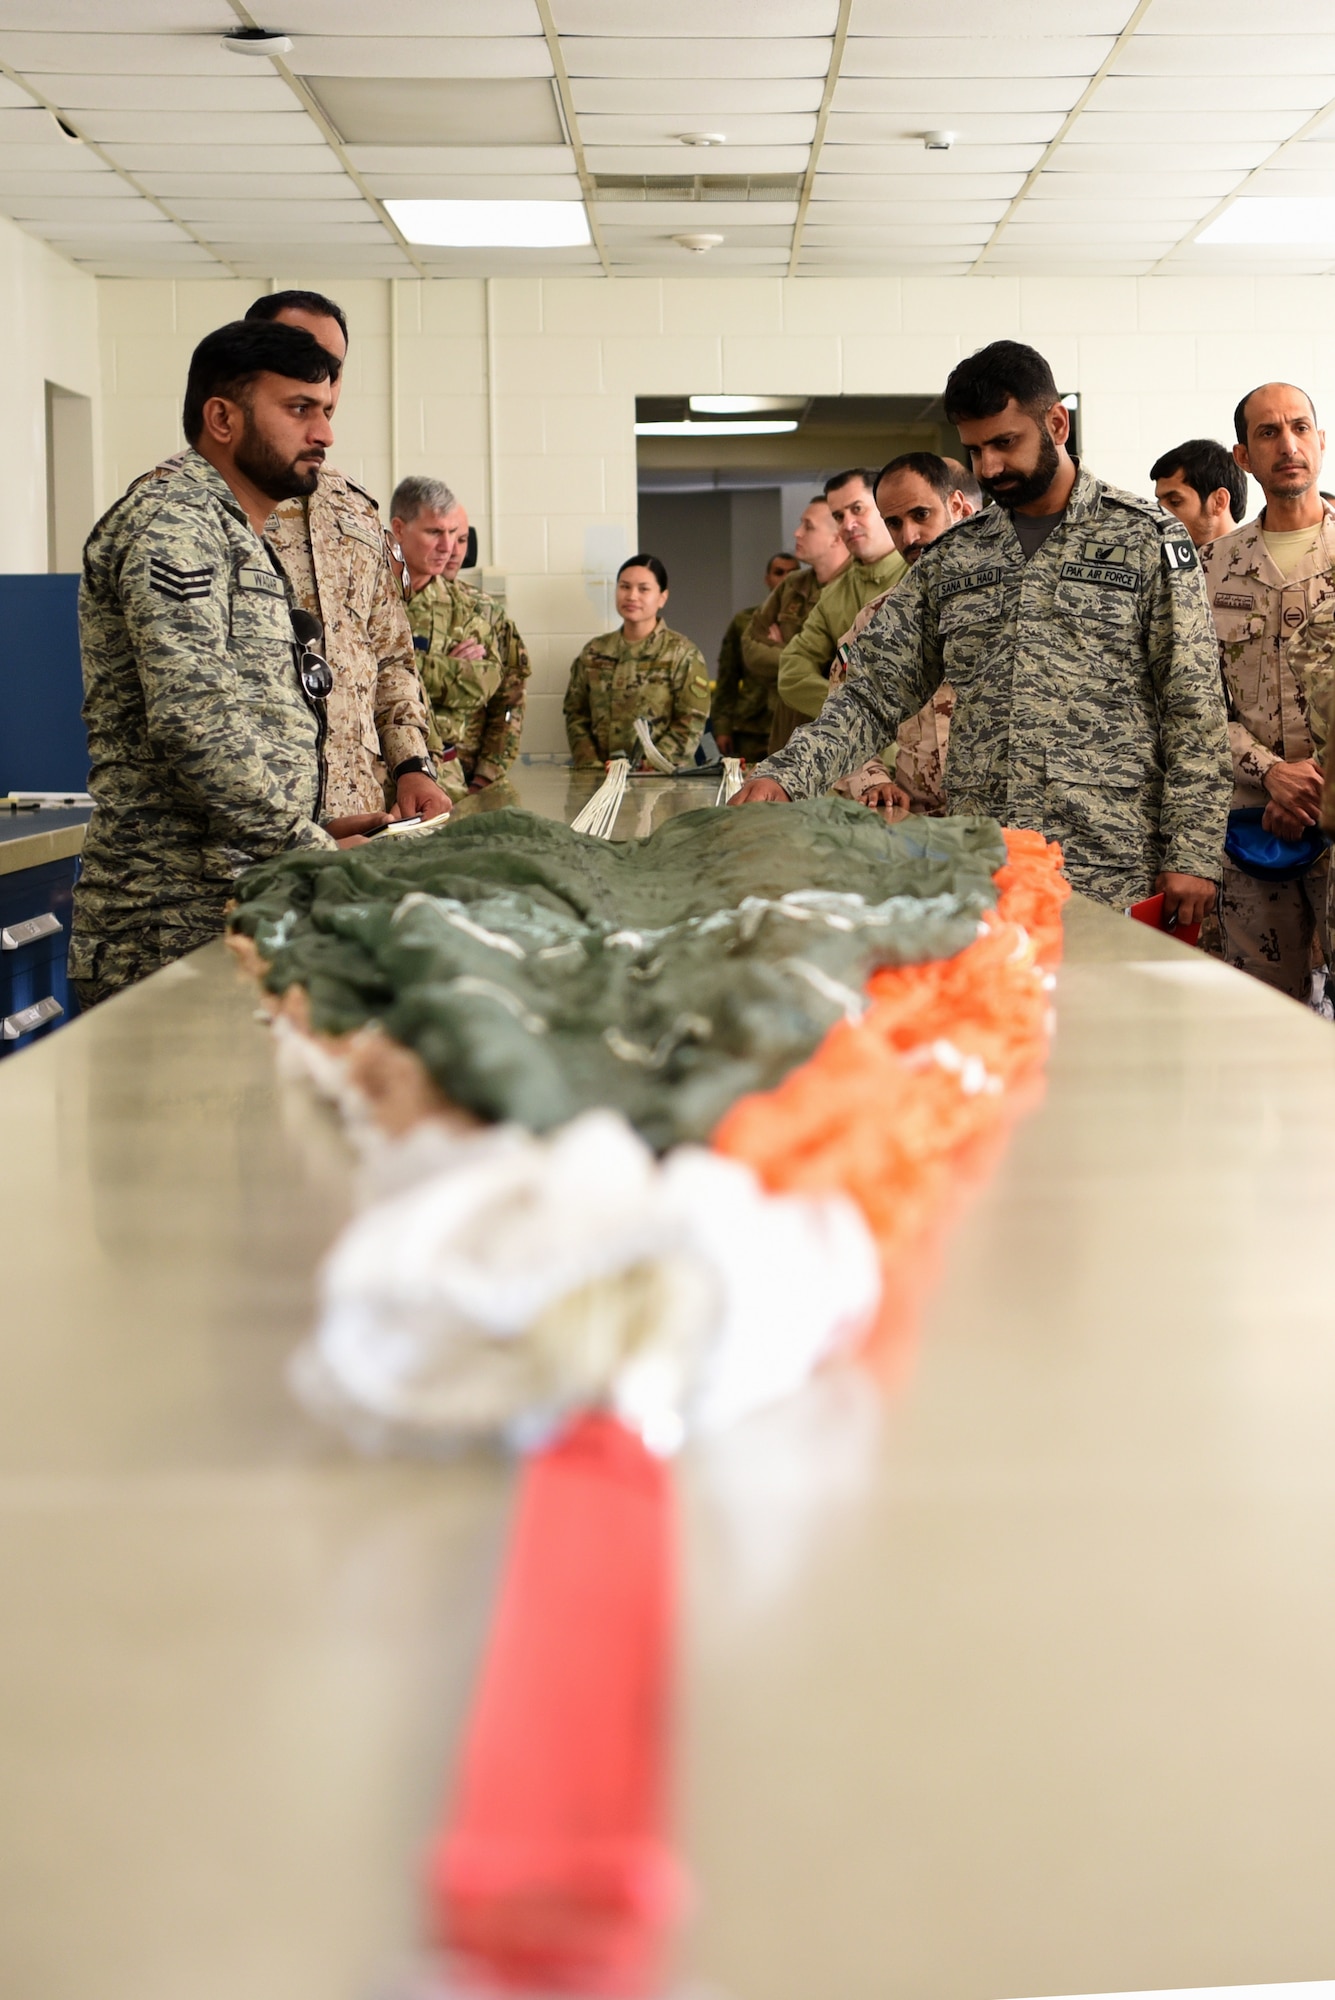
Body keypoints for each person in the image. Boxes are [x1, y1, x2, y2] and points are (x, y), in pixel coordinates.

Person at [733, 339, 1232, 921]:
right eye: (974, 450)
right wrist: (787, 776)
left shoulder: (1147, 539)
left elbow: (1193, 706)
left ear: (1056, 423)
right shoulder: (956, 559)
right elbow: (871, 693)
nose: (989, 467)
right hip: (985, 857)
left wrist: (1194, 853)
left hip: (1111, 860)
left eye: (1005, 443)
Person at [69, 321, 376, 1007]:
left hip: (236, 899)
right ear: (222, 418)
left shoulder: (232, 529)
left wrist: (314, 826)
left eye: (327, 412)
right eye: (299, 409)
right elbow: (193, 721)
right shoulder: (175, 523)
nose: (323, 435)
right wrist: (306, 845)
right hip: (169, 920)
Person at [243, 290, 449, 826]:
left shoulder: (353, 509)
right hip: (247, 841)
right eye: (302, 356)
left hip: (357, 818)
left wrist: (411, 764)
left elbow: (390, 657)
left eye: (333, 368)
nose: (322, 380)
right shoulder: (195, 509)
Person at [1199, 383, 1335, 999]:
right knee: (1260, 1013)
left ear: (1321, 441)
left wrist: (1316, 780)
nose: (1289, 445)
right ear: (1243, 457)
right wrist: (1274, 773)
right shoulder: (1211, 568)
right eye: (1268, 432)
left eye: (1301, 428)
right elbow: (1193, 703)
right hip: (1253, 829)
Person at [835, 453, 982, 816]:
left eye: (921, 515)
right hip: (918, 828)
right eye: (894, 523)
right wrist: (872, 780)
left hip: (1004, 828)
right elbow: (844, 716)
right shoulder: (876, 620)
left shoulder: (1015, 601)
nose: (909, 537)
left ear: (958, 506)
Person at [389, 474, 531, 798]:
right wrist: (444, 666)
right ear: (399, 529)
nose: (449, 547)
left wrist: (486, 775)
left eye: (456, 536)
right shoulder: (367, 597)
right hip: (373, 774)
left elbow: (487, 686)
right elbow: (353, 678)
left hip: (448, 776)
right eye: (435, 533)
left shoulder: (469, 608)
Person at [775, 469, 908, 723]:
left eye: (857, 509)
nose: (847, 524)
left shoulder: (920, 575)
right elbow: (792, 670)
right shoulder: (834, 595)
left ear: (884, 506)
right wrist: (850, 707)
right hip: (859, 751)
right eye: (839, 516)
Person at [564, 554, 711, 770]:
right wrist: (591, 765)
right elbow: (576, 714)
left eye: (643, 589)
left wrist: (649, 767)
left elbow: (691, 722)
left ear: (662, 597)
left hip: (663, 780)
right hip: (601, 780)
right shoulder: (594, 652)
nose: (632, 596)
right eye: (624, 587)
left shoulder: (682, 654)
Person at [741, 496, 851, 754]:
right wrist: (803, 660)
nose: (797, 533)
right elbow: (750, 648)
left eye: (808, 526)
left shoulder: (855, 588)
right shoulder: (792, 585)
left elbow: (849, 668)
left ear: (837, 537)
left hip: (831, 726)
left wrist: (785, 649)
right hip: (786, 721)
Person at [712, 550, 800, 763]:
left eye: (793, 573)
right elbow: (728, 677)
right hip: (751, 726)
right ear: (767, 579)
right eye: (779, 572)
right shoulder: (745, 622)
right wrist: (722, 726)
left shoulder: (811, 619)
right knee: (748, 788)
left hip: (796, 722)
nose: (786, 579)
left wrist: (781, 646)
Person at [1151, 439, 1247, 548]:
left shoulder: (1257, 561)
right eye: (1158, 504)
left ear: (1219, 502)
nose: (1160, 515)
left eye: (1175, 502)